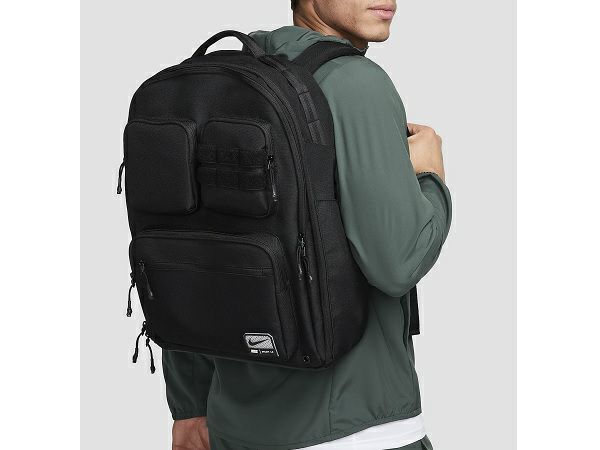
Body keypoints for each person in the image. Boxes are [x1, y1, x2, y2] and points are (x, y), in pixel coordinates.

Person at [165, 1, 452, 449]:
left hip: (234, 427)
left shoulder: (224, 76)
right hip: (360, 428)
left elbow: (190, 249)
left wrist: (190, 405)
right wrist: (430, 177)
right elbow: (397, 262)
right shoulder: (355, 82)